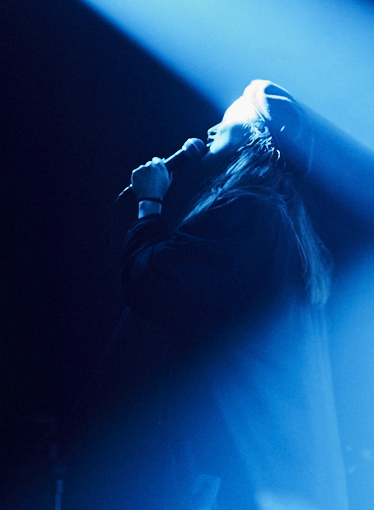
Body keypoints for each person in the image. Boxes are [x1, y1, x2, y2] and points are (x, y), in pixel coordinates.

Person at [121, 80, 349, 510]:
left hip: (245, 470)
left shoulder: (249, 213)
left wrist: (149, 205)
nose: (211, 128)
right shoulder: (279, 221)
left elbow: (155, 284)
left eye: (229, 116)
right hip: (272, 468)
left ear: (255, 133)